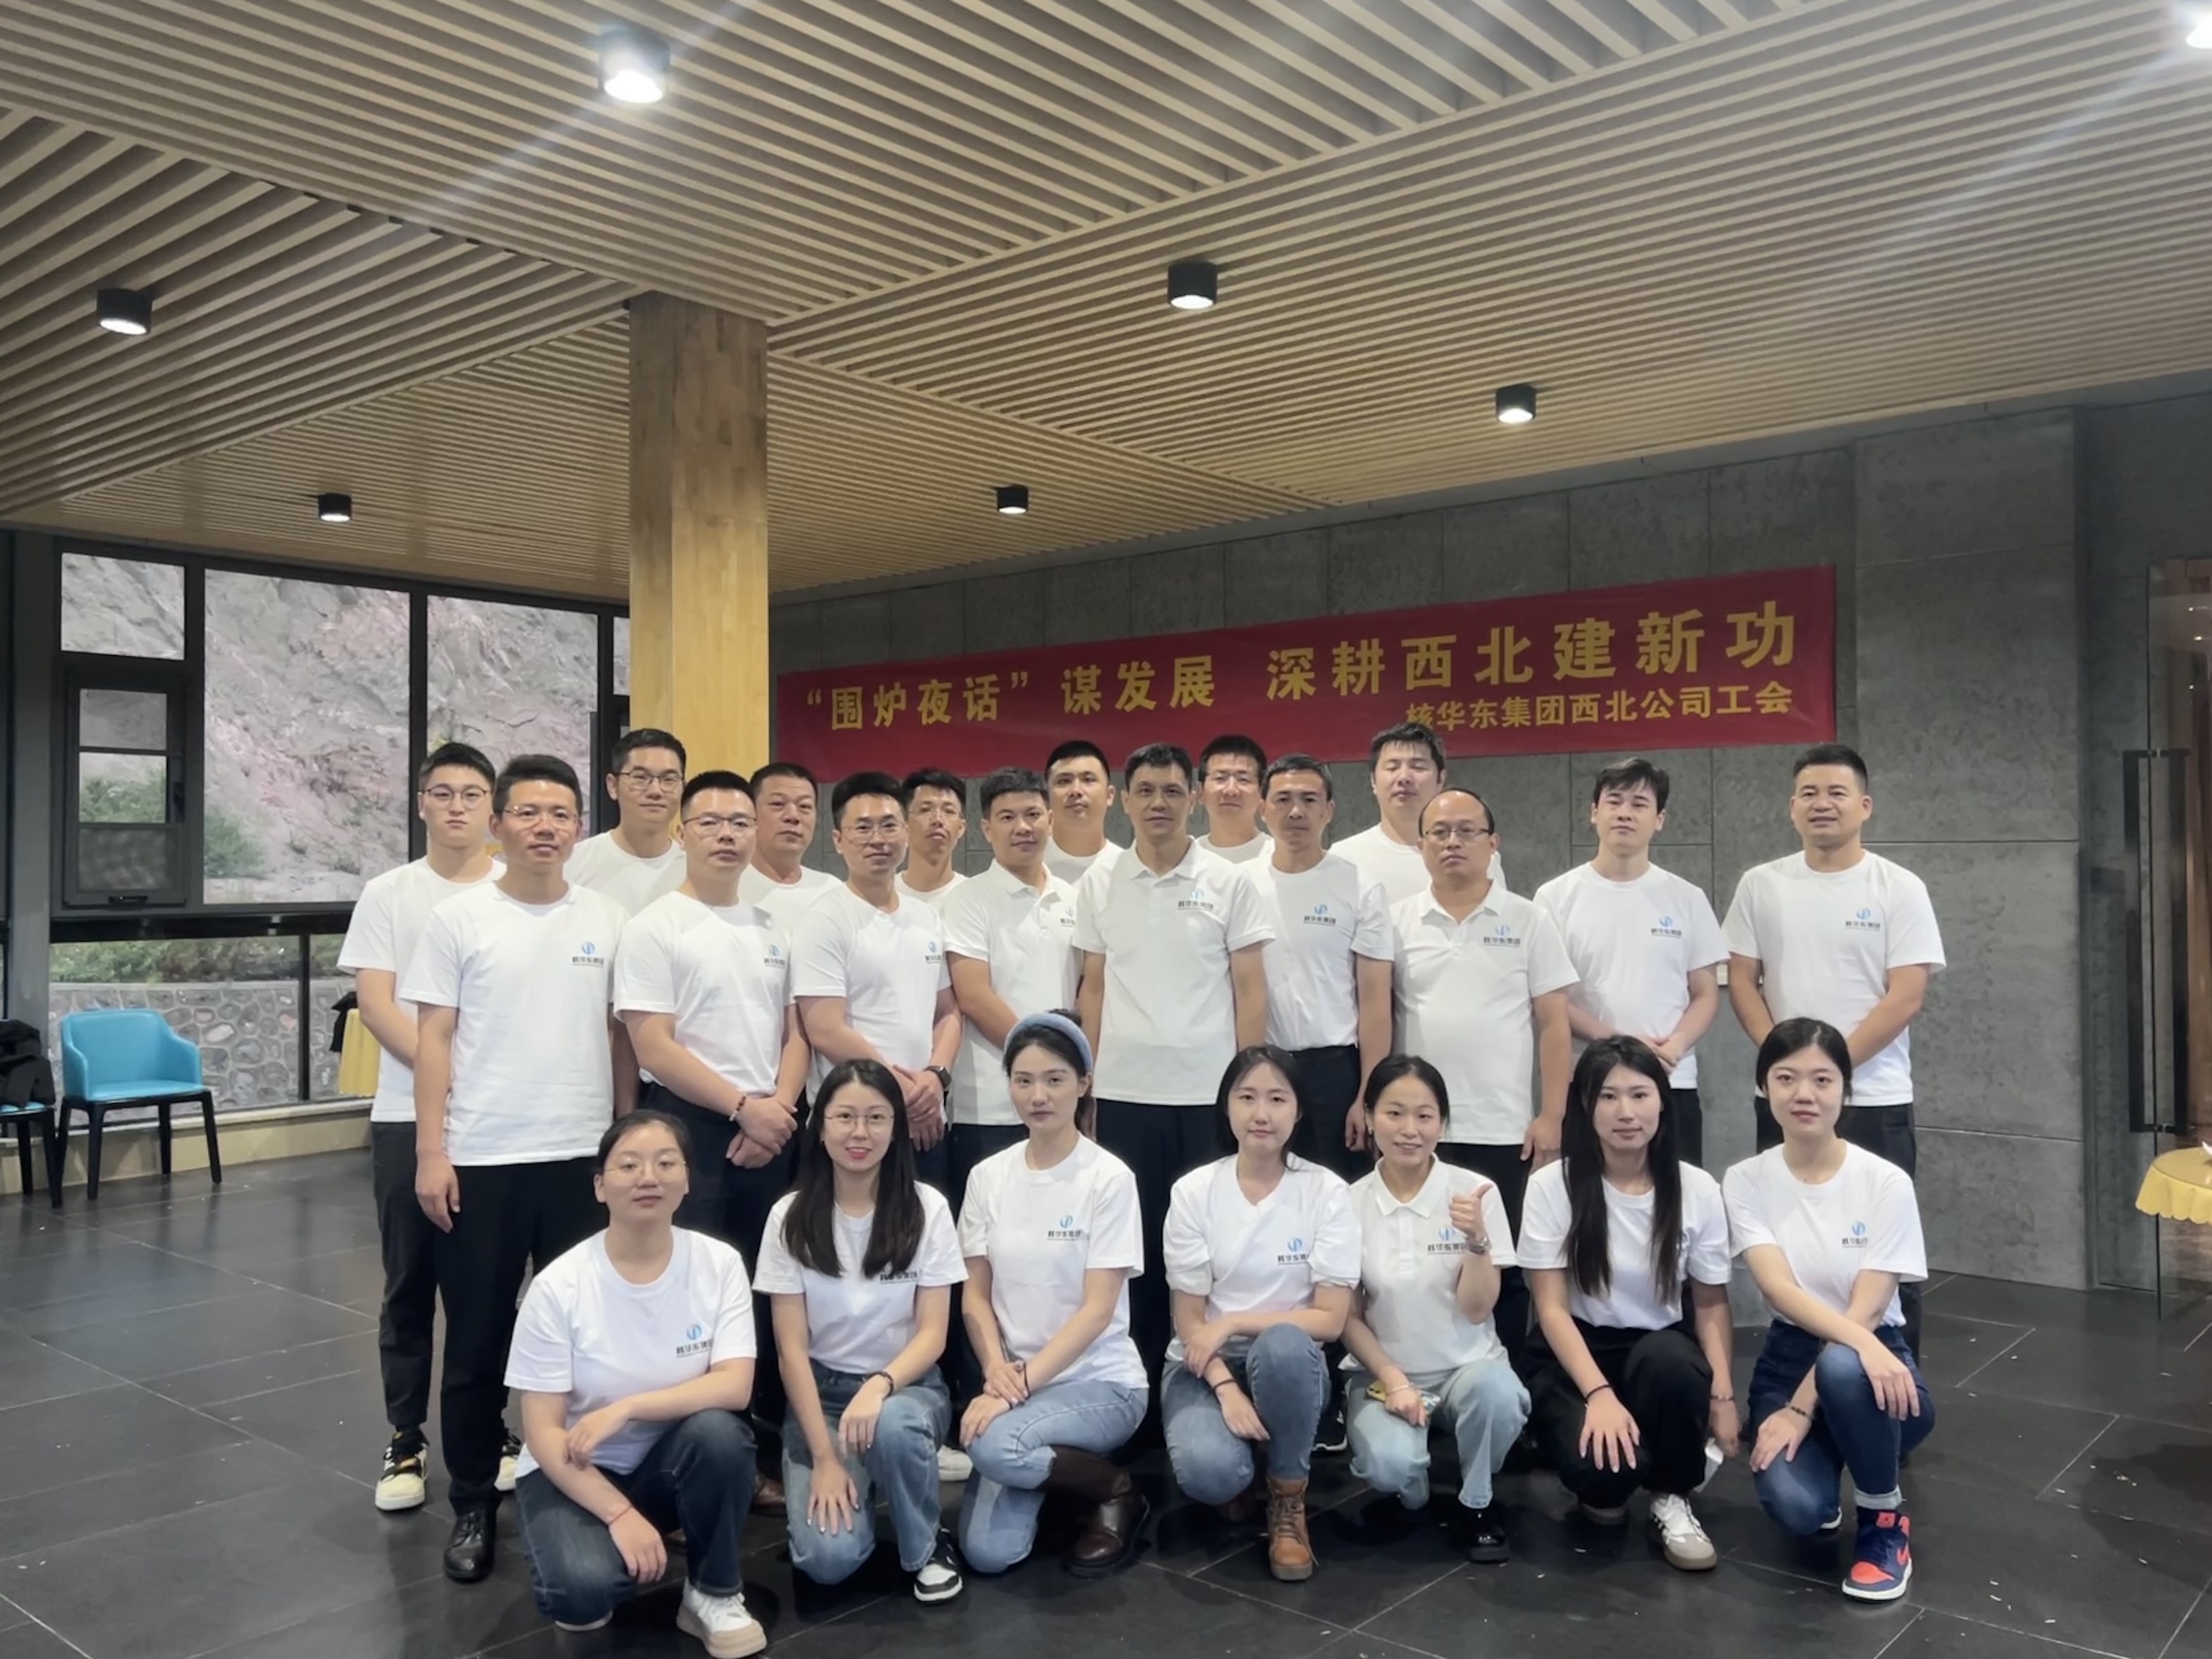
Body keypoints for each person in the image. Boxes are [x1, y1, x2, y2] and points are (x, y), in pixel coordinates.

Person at [404, 754, 630, 1584]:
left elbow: (620, 1038)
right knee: (476, 1340)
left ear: (579, 827)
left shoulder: (607, 917)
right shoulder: (459, 919)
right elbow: (433, 1039)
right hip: (484, 1159)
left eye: (560, 814)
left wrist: (622, 1141)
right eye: (528, 813)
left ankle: (587, 1482)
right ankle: (472, 1499)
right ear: (498, 825)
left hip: (582, 1161)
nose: (545, 827)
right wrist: (433, 1151)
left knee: (589, 1339)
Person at [613, 769, 810, 1515]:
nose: (727, 835)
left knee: (762, 1292)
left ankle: (754, 1451)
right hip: (689, 1128)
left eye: (739, 822)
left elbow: (796, 1033)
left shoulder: (772, 929)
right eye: (711, 822)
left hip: (771, 1128)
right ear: (684, 833)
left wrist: (777, 1109)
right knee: (690, 1297)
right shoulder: (655, 926)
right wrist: (742, 1108)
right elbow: (653, 1045)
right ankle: (679, 1464)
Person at [506, 1111, 764, 1657]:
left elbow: (735, 1387)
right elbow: (544, 1433)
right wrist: (618, 1514)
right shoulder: (559, 1287)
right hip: (574, 1468)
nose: (649, 1177)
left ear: (687, 1179)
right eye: (628, 1166)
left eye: (666, 1163)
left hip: (668, 1464)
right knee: (582, 1596)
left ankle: (713, 1593)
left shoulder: (719, 1264)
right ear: (601, 1186)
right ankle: (606, 1542)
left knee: (721, 1435)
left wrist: (627, 1408)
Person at [1723, 743, 1944, 1358]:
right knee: (1790, 1248)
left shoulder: (1898, 887)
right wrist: (1790, 1071)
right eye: (1810, 794)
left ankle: (1889, 1384)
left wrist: (1828, 1072)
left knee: (1885, 1255)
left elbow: (1907, 996)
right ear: (1792, 807)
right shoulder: (1761, 884)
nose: (1823, 804)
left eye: (1837, 793)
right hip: (1785, 1101)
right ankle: (1796, 1380)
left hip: (1875, 1098)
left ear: (1865, 806)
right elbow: (1741, 980)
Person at [338, 740, 501, 1513]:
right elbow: (377, 1005)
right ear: (422, 804)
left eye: (473, 794)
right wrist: (448, 1075)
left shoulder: (515, 889)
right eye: (444, 793)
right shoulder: (389, 893)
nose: (458, 806)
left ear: (492, 808)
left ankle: (493, 1427)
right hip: (408, 1114)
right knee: (410, 1282)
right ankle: (405, 1434)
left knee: (490, 1287)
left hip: (498, 1122)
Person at [1076, 742, 1273, 1379]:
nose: (1158, 803)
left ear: (1193, 798)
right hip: (1125, 1094)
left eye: (1171, 791)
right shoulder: (1100, 881)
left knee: (1203, 1250)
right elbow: (1093, 988)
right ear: (1125, 801)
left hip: (1206, 1096)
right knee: (1133, 1251)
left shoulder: (1230, 881)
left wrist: (1248, 1089)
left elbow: (1250, 990)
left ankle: (1205, 1379)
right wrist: (1087, 1088)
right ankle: (1136, 1387)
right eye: (1145, 791)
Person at [1726, 1018, 1933, 1602]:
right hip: (1790, 1354)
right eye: (1786, 1078)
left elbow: (1868, 1313)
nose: (1804, 1094)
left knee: (1845, 1365)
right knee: (1799, 1509)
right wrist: (1795, 1402)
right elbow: (1779, 1291)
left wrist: (1804, 1406)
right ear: (1764, 1087)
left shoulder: (1885, 1182)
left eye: (1822, 1079)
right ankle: (1849, 1448)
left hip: (1878, 1366)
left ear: (1846, 1088)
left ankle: (1884, 1522)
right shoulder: (1745, 1181)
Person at [1519, 1038, 1739, 1573]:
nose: (1626, 1112)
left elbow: (1710, 1302)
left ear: (1662, 1102)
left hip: (1659, 1349)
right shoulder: (1552, 1187)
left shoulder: (1697, 1189)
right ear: (1585, 1106)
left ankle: (1671, 1496)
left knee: (1672, 1363)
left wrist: (1723, 1395)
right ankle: (1611, 1481)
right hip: (1575, 1351)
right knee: (1606, 1480)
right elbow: (1550, 1308)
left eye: (1640, 1095)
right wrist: (1598, 1394)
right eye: (1608, 1096)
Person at [755, 1059, 967, 1603]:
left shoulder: (928, 1209)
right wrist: (826, 1458)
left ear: (896, 1128)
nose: (860, 1132)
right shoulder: (788, 1217)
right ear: (820, 1126)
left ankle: (926, 1547)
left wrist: (880, 1385)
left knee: (895, 1424)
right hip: (822, 1397)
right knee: (827, 1562)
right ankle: (857, 1477)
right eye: (844, 1116)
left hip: (905, 1388)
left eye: (876, 1118)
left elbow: (933, 1335)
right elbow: (791, 1352)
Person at [955, 1013, 1148, 1577]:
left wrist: (1015, 1389)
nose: (1038, 1096)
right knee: (989, 1555)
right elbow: (974, 1297)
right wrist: (995, 1370)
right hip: (1016, 1384)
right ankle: (1058, 1476)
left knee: (994, 1447)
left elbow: (1098, 1310)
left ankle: (1116, 1489)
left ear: (1084, 1083)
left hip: (1100, 1382)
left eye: (1055, 1079)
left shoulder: (1108, 1178)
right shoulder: (987, 1177)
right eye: (1024, 1081)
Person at [1391, 787, 1574, 1370]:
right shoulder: (1395, 921)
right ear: (1420, 845)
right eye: (1440, 832)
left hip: (1503, 1128)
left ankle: (1507, 1390)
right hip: (1418, 1131)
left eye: (1467, 831)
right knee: (1418, 1264)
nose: (1453, 842)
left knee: (1503, 1266)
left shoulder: (1529, 920)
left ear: (1493, 843)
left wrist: (1552, 1115)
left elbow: (1554, 1024)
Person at [1163, 1046, 1358, 1582]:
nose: (1261, 1114)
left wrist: (1233, 1322)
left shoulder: (1327, 1192)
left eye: (1277, 1099)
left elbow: (1330, 1321)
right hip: (1204, 1365)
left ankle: (1288, 1495)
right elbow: (1190, 1322)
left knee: (1285, 1343)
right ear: (1227, 1107)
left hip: (1288, 1364)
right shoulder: (1194, 1192)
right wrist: (1226, 1388)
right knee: (1211, 1475)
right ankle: (1245, 1469)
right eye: (1247, 1098)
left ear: (1299, 1110)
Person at [1341, 1056, 1529, 1563]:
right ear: (1369, 1117)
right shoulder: (1347, 1203)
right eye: (1394, 1113)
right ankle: (1413, 1484)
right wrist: (1395, 1380)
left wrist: (1477, 1240)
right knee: (1388, 1465)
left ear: (1443, 1123)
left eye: (1425, 1116)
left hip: (1468, 1368)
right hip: (1384, 1377)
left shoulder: (1474, 1193)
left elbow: (1478, 1309)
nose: (1410, 1130)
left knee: (1499, 1395)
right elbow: (1347, 1316)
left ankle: (1477, 1501)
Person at [1534, 758, 1726, 1166]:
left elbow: (1706, 994)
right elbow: (1549, 1000)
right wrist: (1618, 1043)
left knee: (1676, 1194)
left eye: (1639, 804)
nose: (1624, 813)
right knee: (1588, 1195)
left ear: (1660, 820)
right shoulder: (1555, 898)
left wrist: (1676, 1045)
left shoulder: (1687, 898)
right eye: (1614, 801)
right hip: (1588, 1078)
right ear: (1594, 813)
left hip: (1671, 1078)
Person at [793, 771, 962, 1192]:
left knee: (921, 1227)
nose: (878, 839)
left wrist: (935, 1078)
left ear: (906, 833)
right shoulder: (824, 920)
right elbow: (825, 1029)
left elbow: (947, 1011)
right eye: (863, 828)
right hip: (853, 1123)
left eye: (889, 826)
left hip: (925, 1120)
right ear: (838, 840)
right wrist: (900, 1091)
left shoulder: (926, 917)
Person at [941, 768, 1082, 1211]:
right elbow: (974, 996)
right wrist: (1043, 1062)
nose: (1023, 827)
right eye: (1007, 818)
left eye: (1033, 815)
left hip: (1064, 1101)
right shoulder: (968, 900)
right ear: (986, 828)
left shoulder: (1074, 898)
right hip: (989, 1106)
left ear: (1051, 820)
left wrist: (1061, 1075)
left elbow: (1085, 988)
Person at [1249, 753, 1393, 1185]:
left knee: (1338, 1193)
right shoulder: (1238, 884)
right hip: (1261, 1064)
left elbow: (1375, 1002)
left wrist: (1368, 1094)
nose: (1296, 811)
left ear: (1329, 811)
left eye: (1309, 800)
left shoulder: (1360, 886)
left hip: (1335, 1071)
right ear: (1263, 808)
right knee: (1264, 1188)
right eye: (1283, 800)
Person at [1335, 722, 1504, 904]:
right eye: (1392, 768)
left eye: (1418, 767)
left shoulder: (1479, 856)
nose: (1404, 778)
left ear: (1441, 779)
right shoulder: (1342, 859)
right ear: (1373, 781)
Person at [568, 729, 689, 916]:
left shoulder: (697, 871)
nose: (656, 791)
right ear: (613, 786)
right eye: (640, 778)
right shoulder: (573, 864)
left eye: (669, 779)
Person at [739, 762, 839, 934]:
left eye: (805, 807)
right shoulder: (728, 888)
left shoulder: (832, 891)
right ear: (750, 813)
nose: (793, 816)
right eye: (778, 804)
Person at [1043, 740, 1125, 885]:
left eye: (1088, 780)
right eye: (1063, 781)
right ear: (1046, 797)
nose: (1076, 791)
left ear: (1110, 795)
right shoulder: (1025, 866)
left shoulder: (1128, 869)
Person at [898, 768, 969, 910]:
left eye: (949, 811)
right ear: (905, 824)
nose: (938, 820)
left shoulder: (975, 897)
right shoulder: (882, 896)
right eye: (925, 810)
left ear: (961, 828)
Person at [1194, 734, 1271, 865]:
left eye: (1243, 780)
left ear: (1262, 792)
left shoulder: (1281, 857)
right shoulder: (1186, 858)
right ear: (1200, 791)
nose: (1231, 790)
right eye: (1220, 778)